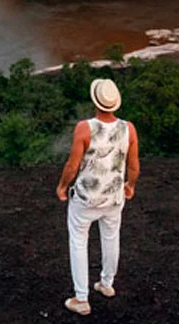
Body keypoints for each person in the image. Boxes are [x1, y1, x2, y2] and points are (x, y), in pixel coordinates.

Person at [55, 77, 140, 316]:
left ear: (96, 102)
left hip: (85, 199)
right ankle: (106, 284)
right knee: (111, 238)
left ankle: (81, 298)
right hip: (114, 197)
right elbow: (134, 166)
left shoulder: (84, 128)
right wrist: (130, 186)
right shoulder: (128, 128)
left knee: (78, 242)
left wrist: (62, 187)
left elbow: (72, 166)